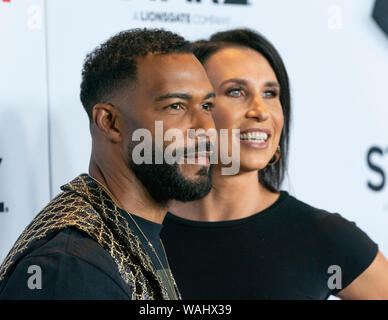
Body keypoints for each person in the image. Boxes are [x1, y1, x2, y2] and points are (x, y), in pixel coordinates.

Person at [0, 28, 216, 300]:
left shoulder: (126, 232)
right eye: (176, 106)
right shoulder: (72, 266)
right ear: (110, 122)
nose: (206, 128)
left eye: (207, 106)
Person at [161, 29, 388, 300]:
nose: (261, 110)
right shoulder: (136, 233)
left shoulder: (323, 236)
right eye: (235, 91)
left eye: (270, 93)